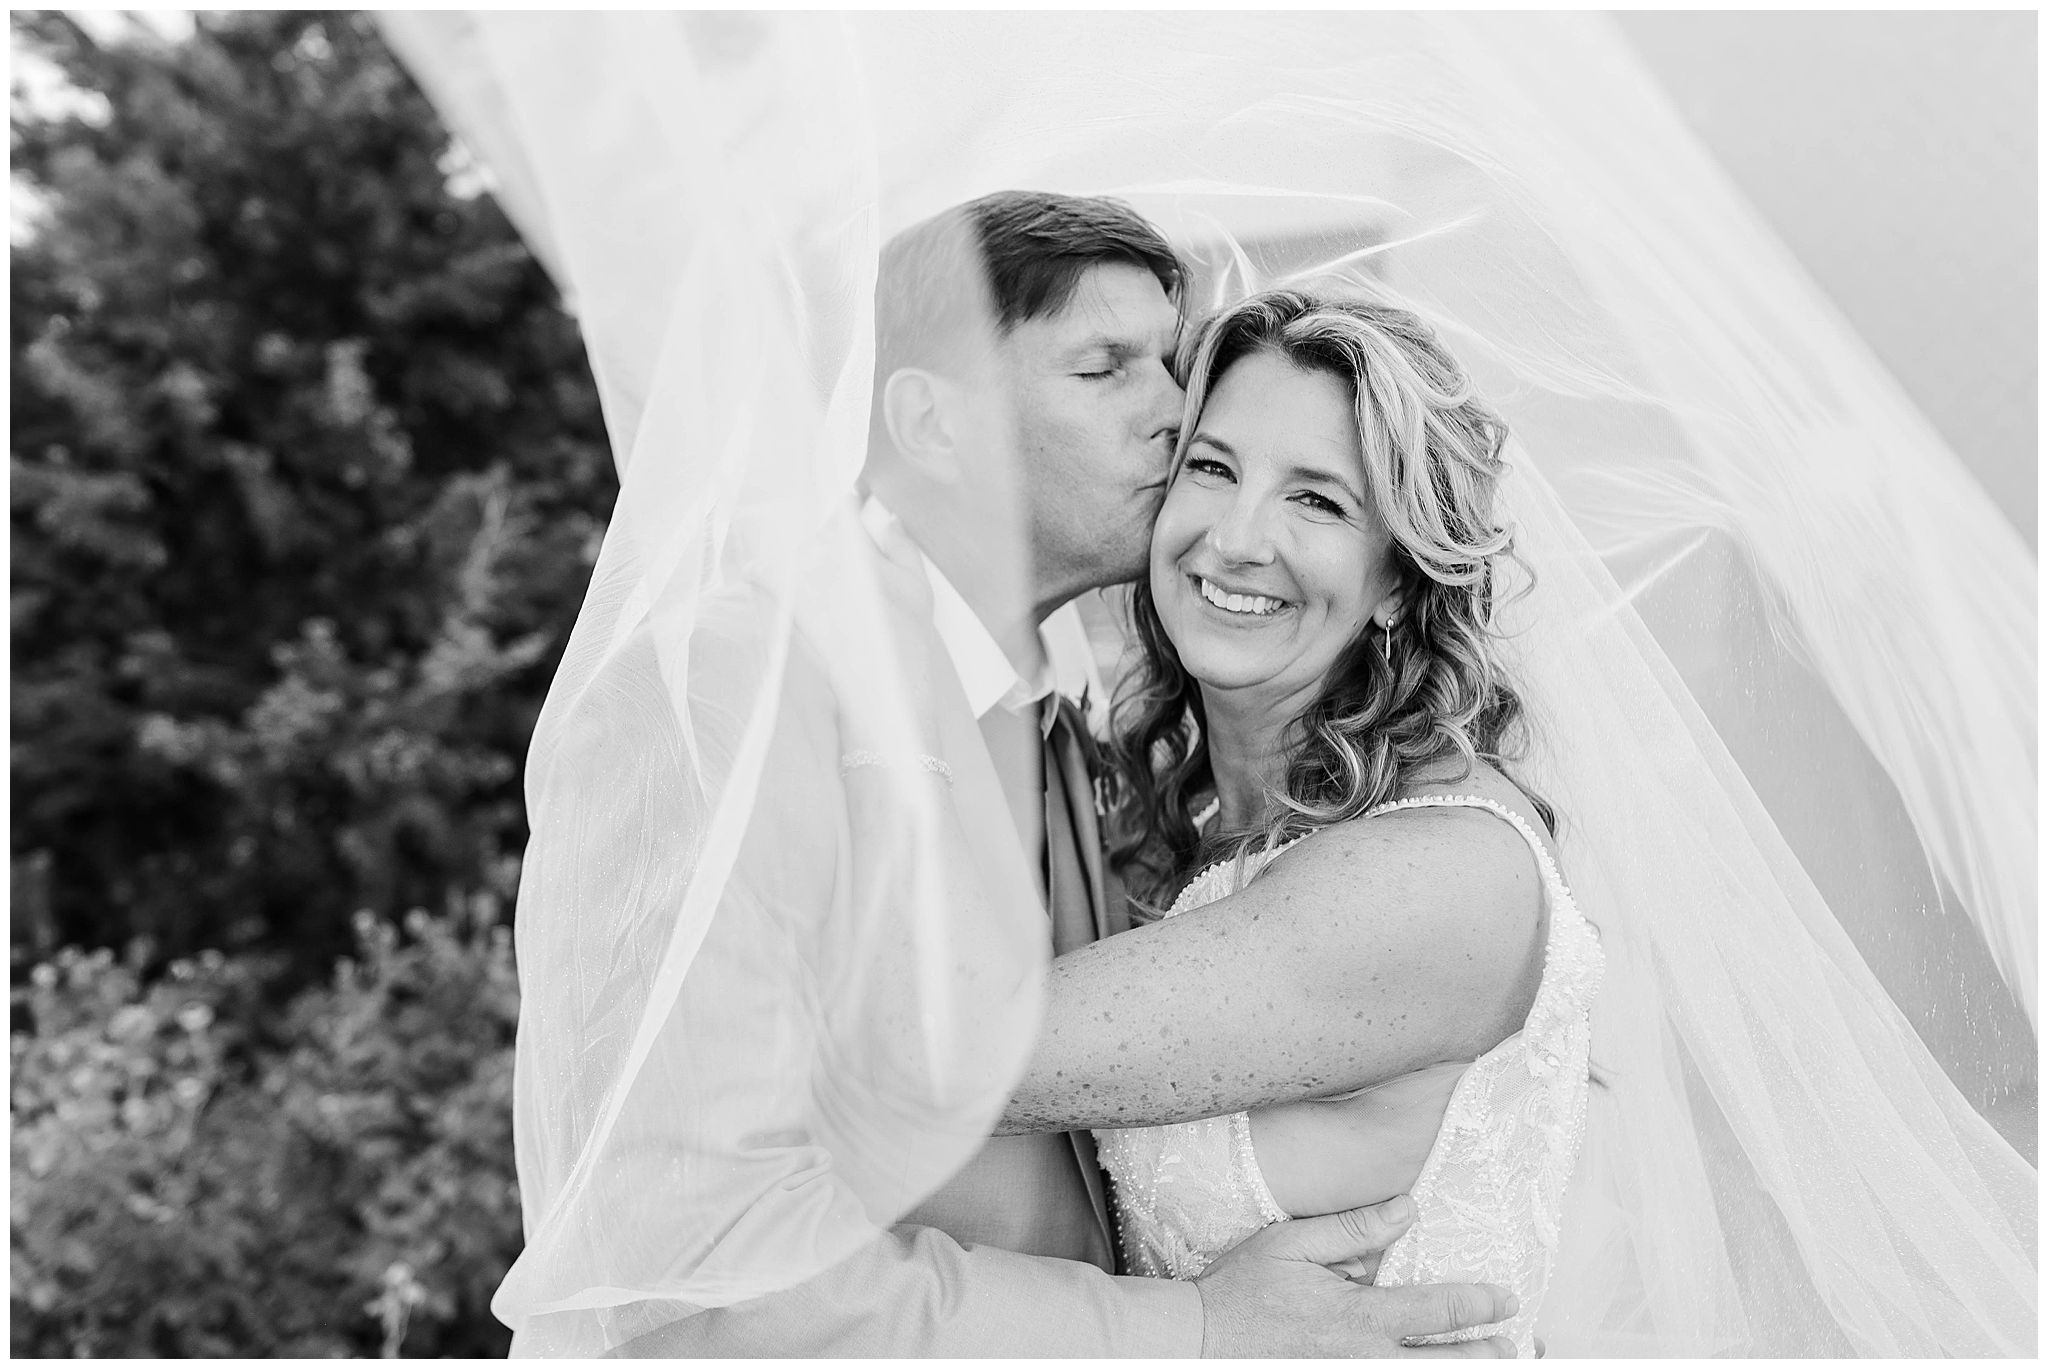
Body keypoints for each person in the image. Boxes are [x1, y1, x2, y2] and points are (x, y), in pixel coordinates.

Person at [600, 194, 1520, 1358]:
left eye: (1172, 364)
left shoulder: (1086, 743)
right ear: (932, 423)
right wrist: (1184, 1327)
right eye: (1107, 368)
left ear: (1398, 573)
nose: (1174, 411)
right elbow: (691, 1242)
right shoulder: (744, 685)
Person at [984, 288, 1602, 1356]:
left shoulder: (1434, 877)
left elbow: (925, 1071)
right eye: (1211, 469)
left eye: (1315, 501)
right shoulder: (1176, 816)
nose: (1234, 538)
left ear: (1399, 579)